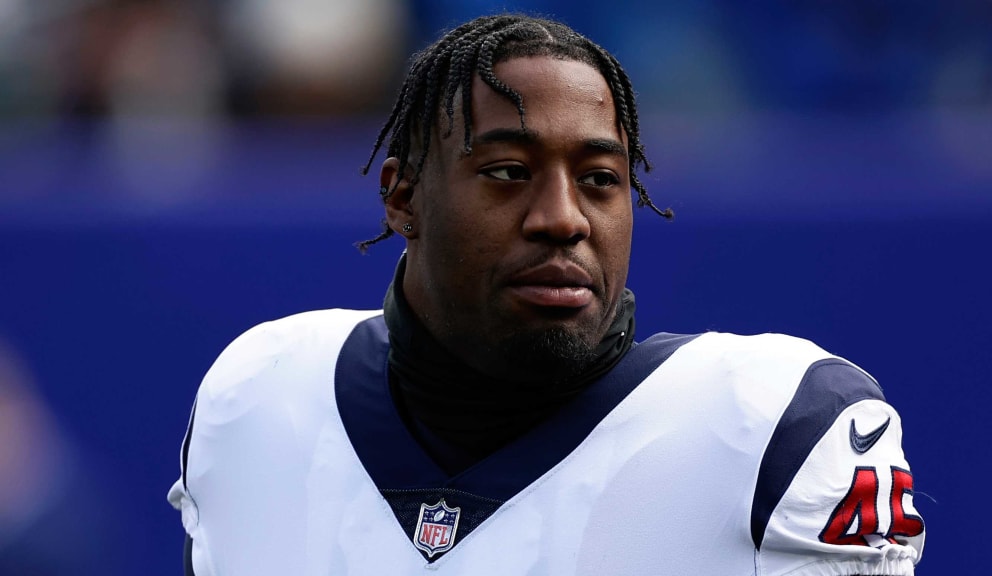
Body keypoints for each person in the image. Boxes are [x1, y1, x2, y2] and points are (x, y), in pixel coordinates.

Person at [168, 13, 925, 575]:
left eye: (600, 180)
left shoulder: (771, 431)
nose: (562, 219)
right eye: (506, 171)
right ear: (402, 200)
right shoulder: (262, 392)